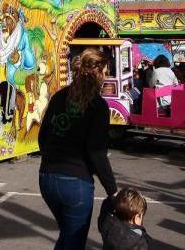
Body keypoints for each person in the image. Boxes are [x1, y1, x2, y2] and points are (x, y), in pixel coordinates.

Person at [39, 48, 118, 249]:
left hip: (47, 178)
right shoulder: (98, 106)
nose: (106, 76)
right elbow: (96, 152)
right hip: (75, 184)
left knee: (67, 236)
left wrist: (50, 160)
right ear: (98, 73)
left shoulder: (59, 96)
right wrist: (112, 191)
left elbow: (43, 137)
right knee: (73, 241)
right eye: (106, 72)